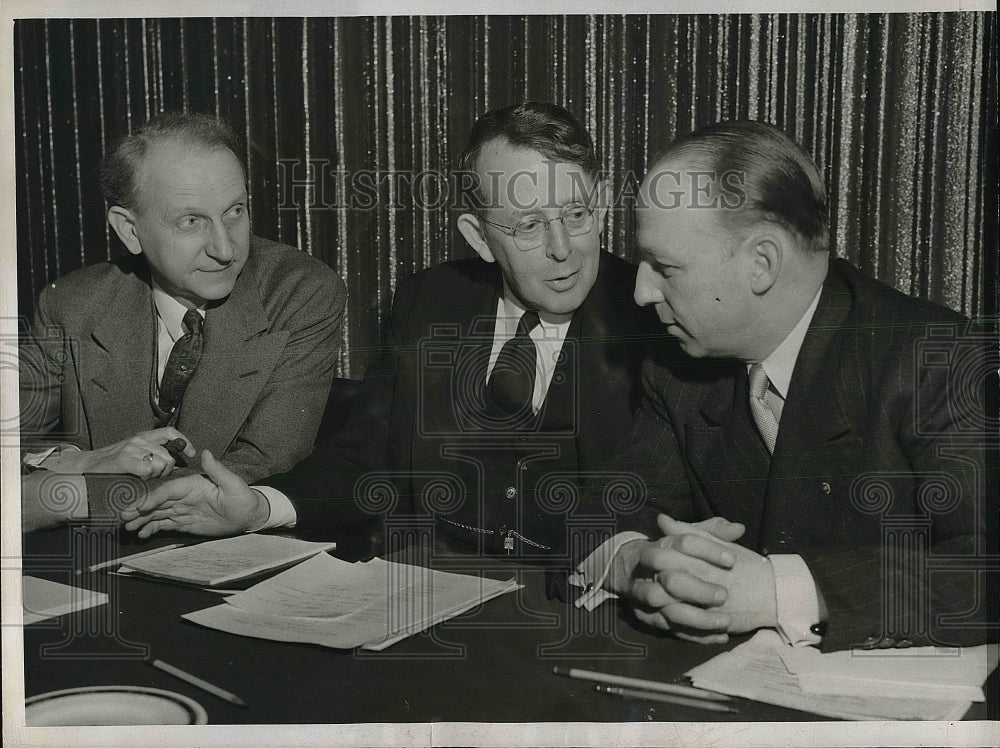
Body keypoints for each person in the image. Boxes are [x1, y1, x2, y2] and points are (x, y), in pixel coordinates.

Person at [120, 102, 662, 565]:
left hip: (580, 601)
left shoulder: (655, 318)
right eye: (526, 225)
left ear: (603, 200)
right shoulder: (430, 301)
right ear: (477, 236)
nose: (562, 247)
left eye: (577, 213)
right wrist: (260, 507)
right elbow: (367, 454)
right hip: (423, 595)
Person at [573, 120, 996, 652]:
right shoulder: (676, 366)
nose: (640, 291)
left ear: (761, 264)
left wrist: (778, 591)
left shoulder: (934, 358)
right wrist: (634, 560)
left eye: (665, 267)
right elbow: (603, 512)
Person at [20, 112, 346, 529]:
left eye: (235, 211)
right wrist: (84, 460)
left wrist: (62, 496)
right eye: (191, 221)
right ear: (129, 231)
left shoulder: (300, 292)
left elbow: (257, 467)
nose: (225, 249)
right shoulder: (72, 303)